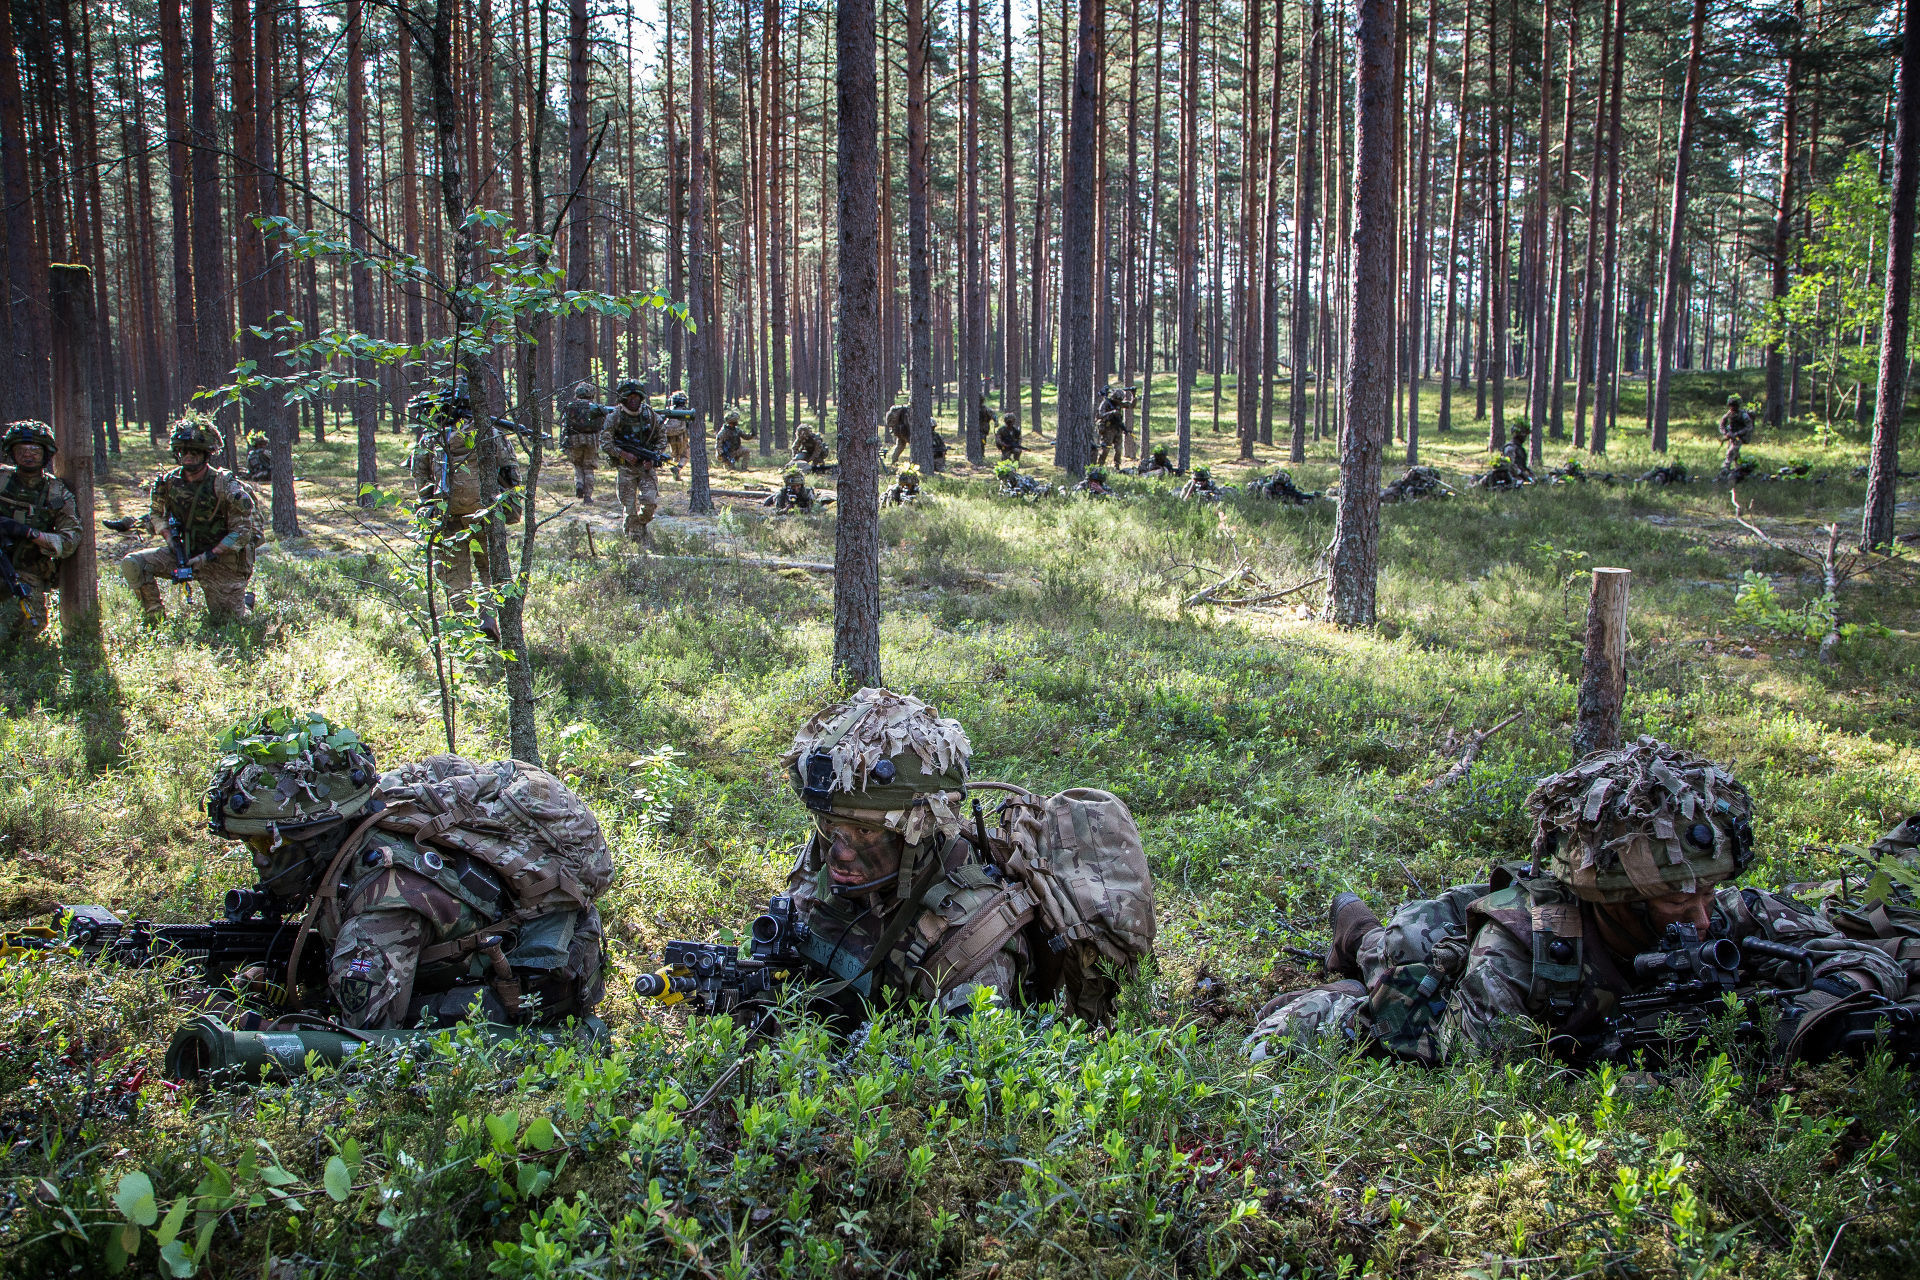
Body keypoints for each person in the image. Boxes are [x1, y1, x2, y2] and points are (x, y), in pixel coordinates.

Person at [1243, 738, 1914, 1067]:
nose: (1704, 917)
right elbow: (1478, 1062)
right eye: (1677, 901)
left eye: (1708, 893)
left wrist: (1823, 1002)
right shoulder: (1523, 948)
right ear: (1617, 899)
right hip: (1455, 933)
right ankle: (1355, 932)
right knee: (1398, 992)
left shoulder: (1717, 909)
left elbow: (1859, 952)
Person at [206, 709, 611, 1030]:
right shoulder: (378, 813)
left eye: (266, 843)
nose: (259, 860)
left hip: (525, 990)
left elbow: (364, 1045)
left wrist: (238, 1019)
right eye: (250, 844)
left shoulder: (380, 905)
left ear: (320, 836)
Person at [763, 688, 1151, 1022]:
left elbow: (956, 1088)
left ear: (916, 833)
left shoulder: (972, 942)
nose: (839, 854)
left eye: (864, 833)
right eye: (830, 829)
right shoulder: (830, 860)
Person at [121, 413, 264, 625]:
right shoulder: (168, 482)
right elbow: (156, 514)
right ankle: (155, 618)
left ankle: (244, 602)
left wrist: (208, 556)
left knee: (228, 622)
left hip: (221, 561)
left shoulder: (224, 484)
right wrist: (170, 539)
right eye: (183, 451)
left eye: (195, 451)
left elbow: (242, 532)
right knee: (134, 563)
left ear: (206, 453)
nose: (189, 456)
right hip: (183, 553)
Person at [406, 383, 521, 615]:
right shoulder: (491, 434)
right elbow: (511, 474)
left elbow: (421, 481)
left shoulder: (431, 439)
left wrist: (430, 507)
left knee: (455, 575)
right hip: (485, 514)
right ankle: (488, 617)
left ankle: (464, 621)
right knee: (490, 570)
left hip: (447, 517)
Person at [0, 420, 82, 646]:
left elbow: (70, 539)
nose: (28, 455)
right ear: (12, 453)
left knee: (31, 622)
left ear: (46, 454)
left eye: (34, 450)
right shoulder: (2, 479)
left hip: (27, 572)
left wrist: (29, 533)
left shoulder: (56, 492)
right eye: (21, 450)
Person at [603, 381, 666, 546]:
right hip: (625, 468)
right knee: (629, 509)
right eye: (629, 397)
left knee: (650, 504)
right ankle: (633, 542)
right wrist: (623, 454)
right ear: (623, 398)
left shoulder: (649, 415)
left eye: (636, 397)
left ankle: (639, 527)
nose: (633, 400)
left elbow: (662, 438)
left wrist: (653, 458)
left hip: (646, 469)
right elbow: (606, 443)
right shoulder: (615, 416)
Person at [561, 384, 612, 502]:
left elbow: (565, 425)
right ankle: (588, 496)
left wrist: (564, 442)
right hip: (592, 440)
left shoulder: (570, 407)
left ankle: (579, 483)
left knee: (577, 464)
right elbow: (605, 422)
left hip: (574, 439)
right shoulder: (596, 407)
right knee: (589, 467)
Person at [1095, 387, 1137, 468]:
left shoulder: (1119, 404)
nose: (1118, 403)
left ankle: (1117, 466)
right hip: (1108, 429)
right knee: (1106, 449)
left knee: (1118, 449)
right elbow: (1100, 415)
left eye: (1119, 401)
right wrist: (1111, 413)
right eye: (1117, 401)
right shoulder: (1106, 403)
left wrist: (1133, 395)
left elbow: (1131, 405)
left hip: (1117, 428)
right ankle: (1100, 465)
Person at [1719, 395, 1756, 476]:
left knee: (1731, 452)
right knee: (1736, 455)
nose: (1732, 407)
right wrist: (1726, 433)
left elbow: (1749, 427)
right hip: (1732, 436)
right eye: (1731, 405)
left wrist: (1737, 434)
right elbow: (1722, 425)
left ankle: (1725, 468)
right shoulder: (1728, 414)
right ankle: (1740, 469)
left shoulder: (1743, 415)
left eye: (1734, 405)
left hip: (1741, 437)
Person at [661, 390, 694, 481]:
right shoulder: (684, 412)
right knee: (685, 455)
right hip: (681, 436)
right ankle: (678, 468)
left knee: (675, 455)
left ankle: (677, 474)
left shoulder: (670, 411)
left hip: (670, 437)